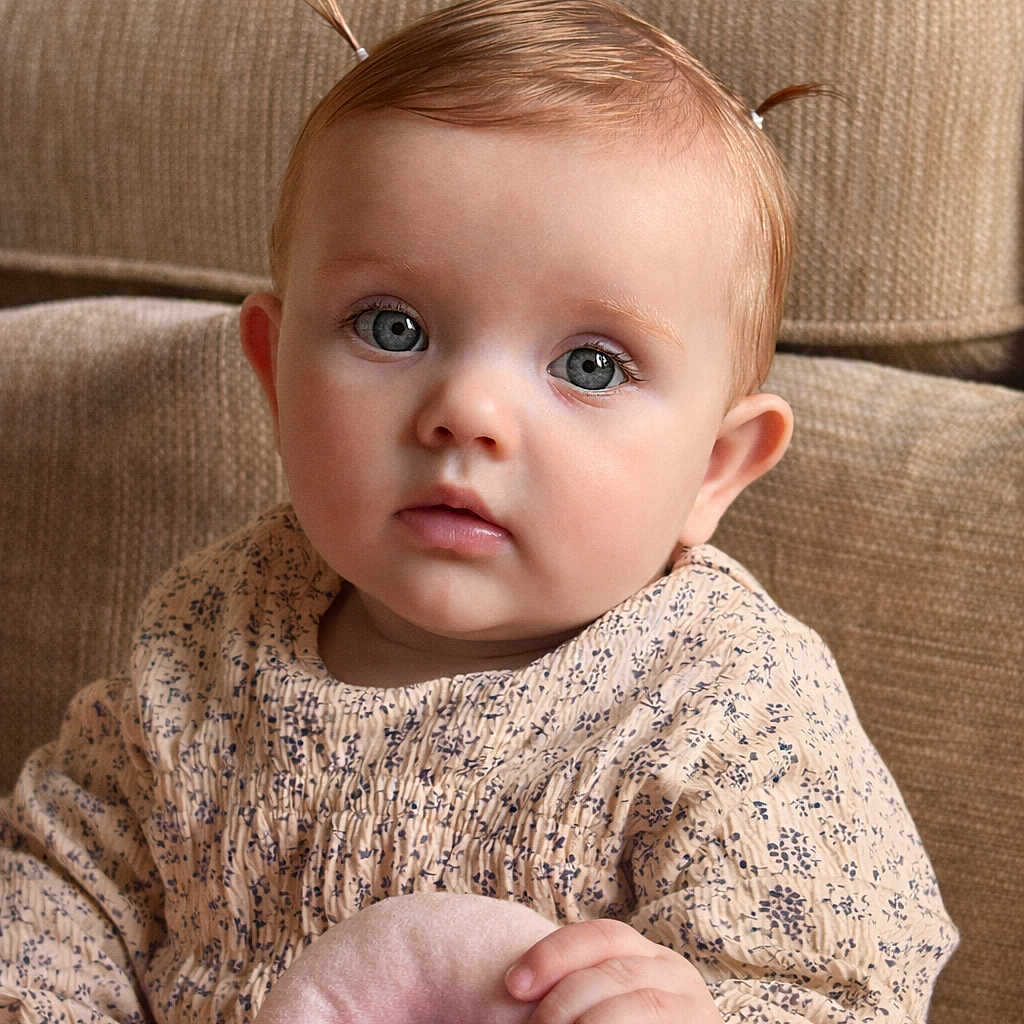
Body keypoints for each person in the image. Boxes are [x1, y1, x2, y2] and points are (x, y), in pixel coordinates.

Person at [0, 1, 958, 1022]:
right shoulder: (211, 625)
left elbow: (843, 986)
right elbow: (68, 875)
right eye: (393, 325)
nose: (466, 412)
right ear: (276, 379)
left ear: (715, 468)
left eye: (589, 364)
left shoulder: (732, 709)